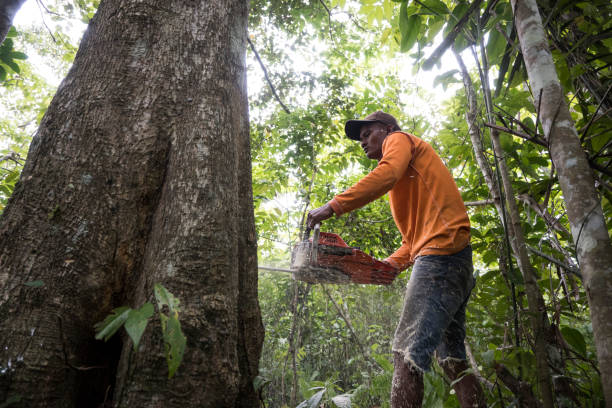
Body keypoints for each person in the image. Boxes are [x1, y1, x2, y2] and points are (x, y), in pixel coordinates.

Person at [306, 111, 486, 408]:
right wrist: (389, 265)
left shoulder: (398, 140)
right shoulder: (409, 177)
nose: (362, 142)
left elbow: (386, 174)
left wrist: (333, 206)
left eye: (367, 134)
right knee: (452, 360)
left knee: (406, 352)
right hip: (454, 258)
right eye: (360, 139)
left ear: (387, 129)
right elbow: (412, 241)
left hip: (441, 255)